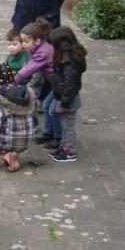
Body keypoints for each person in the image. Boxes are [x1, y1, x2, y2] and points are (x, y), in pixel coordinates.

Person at [0, 64, 36, 173]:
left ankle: (4, 156)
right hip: (27, 140)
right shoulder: (27, 91)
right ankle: (13, 154)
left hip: (6, 143)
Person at [13, 18, 57, 149]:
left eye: (26, 41)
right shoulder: (40, 47)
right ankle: (49, 134)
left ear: (37, 40)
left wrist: (13, 79)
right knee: (47, 105)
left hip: (62, 85)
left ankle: (58, 137)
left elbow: (29, 68)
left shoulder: (43, 52)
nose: (24, 44)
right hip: (55, 83)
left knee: (53, 109)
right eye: (23, 41)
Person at [47, 26, 87, 163]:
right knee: (64, 124)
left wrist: (64, 103)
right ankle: (64, 147)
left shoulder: (70, 63)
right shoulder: (67, 57)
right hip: (63, 97)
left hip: (68, 100)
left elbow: (70, 85)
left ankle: (70, 152)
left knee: (68, 126)